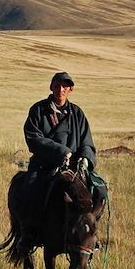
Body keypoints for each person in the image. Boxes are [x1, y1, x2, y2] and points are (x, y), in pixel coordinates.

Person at [16, 71, 107, 255]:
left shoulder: (78, 114)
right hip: (44, 165)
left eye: (65, 86)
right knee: (30, 188)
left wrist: (85, 158)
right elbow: (33, 138)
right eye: (57, 85)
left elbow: (86, 142)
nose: (61, 89)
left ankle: (90, 234)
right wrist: (61, 152)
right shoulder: (38, 110)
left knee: (100, 190)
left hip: (73, 167)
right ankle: (29, 233)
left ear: (70, 89)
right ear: (51, 87)